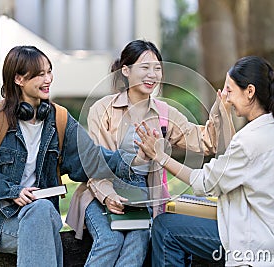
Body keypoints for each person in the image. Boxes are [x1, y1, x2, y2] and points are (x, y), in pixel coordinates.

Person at [0, 45, 135, 267]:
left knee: (41, 210)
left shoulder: (59, 119)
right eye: (40, 74)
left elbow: (89, 157)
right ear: (19, 79)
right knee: (43, 217)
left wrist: (131, 159)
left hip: (41, 216)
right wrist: (12, 192)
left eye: (49, 71)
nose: (48, 79)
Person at [66, 39, 235, 267]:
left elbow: (206, 143)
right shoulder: (102, 109)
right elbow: (97, 164)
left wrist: (219, 110)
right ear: (126, 70)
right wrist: (108, 196)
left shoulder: (165, 113)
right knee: (111, 239)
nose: (152, 75)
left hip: (143, 196)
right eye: (145, 68)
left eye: (157, 68)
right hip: (99, 190)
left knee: (138, 240)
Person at [136, 56, 274, 267]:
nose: (226, 96)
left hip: (252, 241)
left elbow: (204, 182)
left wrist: (160, 156)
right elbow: (232, 160)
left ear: (250, 91)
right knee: (181, 209)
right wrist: (224, 113)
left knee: (165, 228)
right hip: (265, 229)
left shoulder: (252, 140)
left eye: (230, 90)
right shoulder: (272, 128)